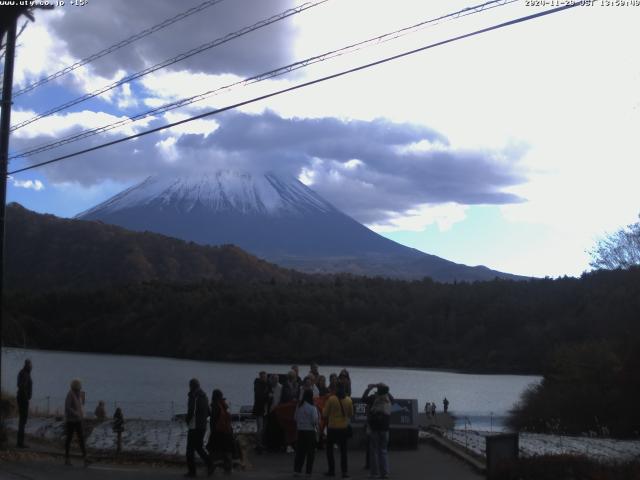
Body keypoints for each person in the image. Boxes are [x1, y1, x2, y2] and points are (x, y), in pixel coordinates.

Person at [322, 383, 353, 478]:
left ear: (336, 389)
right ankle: (344, 472)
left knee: (330, 450)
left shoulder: (331, 399)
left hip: (332, 427)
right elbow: (350, 414)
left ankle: (332, 470)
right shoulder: (348, 400)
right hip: (343, 427)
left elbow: (325, 414)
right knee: (344, 451)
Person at [185, 378, 213, 478]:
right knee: (199, 447)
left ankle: (192, 471)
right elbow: (209, 412)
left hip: (194, 426)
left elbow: (191, 411)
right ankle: (210, 464)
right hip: (203, 426)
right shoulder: (204, 396)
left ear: (191, 386)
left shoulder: (194, 396)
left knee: (190, 450)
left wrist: (187, 421)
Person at [368, 384, 391, 479]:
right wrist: (377, 385)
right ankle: (385, 472)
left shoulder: (377, 402)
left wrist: (373, 386)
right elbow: (386, 390)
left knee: (374, 451)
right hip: (385, 429)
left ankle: (374, 473)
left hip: (375, 429)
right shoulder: (388, 402)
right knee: (383, 451)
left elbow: (372, 411)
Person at [294, 389, 319, 476]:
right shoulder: (313, 408)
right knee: (310, 453)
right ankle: (308, 471)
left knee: (300, 452)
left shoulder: (299, 406)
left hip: (300, 431)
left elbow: (295, 418)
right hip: (310, 432)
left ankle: (297, 470)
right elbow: (315, 421)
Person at [64, 379, 89, 466]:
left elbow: (81, 405)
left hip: (78, 420)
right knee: (69, 439)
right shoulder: (70, 394)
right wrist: (76, 413)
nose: (80, 388)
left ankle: (85, 458)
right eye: (79, 386)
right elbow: (67, 407)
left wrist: (81, 414)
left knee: (81, 438)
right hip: (71, 420)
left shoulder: (79, 394)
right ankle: (67, 458)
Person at [209, 389, 233, 473]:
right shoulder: (223, 404)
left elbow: (214, 420)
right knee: (226, 450)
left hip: (218, 431)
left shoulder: (215, 405)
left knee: (213, 450)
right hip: (227, 430)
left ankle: (212, 467)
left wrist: (212, 431)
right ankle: (228, 468)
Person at [16, 359, 32, 449]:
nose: (31, 366)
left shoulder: (24, 373)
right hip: (23, 399)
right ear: (27, 365)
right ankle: (20, 443)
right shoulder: (24, 374)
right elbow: (21, 386)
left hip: (22, 398)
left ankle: (20, 441)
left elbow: (21, 385)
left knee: (23, 420)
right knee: (23, 420)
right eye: (30, 364)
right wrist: (26, 396)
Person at [252, 371, 269, 451]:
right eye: (265, 377)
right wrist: (268, 396)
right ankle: (258, 444)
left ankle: (259, 443)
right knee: (260, 428)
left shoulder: (263, 385)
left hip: (262, 409)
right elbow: (260, 397)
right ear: (261, 377)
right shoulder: (259, 385)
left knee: (261, 428)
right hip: (259, 410)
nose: (266, 378)